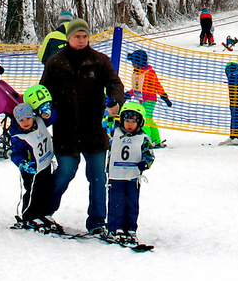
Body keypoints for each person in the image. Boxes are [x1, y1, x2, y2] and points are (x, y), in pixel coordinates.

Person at [41, 19, 125, 234]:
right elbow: (44, 91)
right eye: (77, 36)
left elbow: (115, 84)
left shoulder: (99, 61)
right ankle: (44, 211)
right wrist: (43, 109)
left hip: (93, 130)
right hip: (65, 129)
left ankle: (97, 221)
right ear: (68, 38)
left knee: (97, 177)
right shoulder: (55, 62)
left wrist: (115, 101)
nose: (81, 40)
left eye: (84, 36)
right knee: (66, 171)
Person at [9, 85, 60, 231]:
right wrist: (22, 163)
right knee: (33, 191)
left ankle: (43, 213)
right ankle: (29, 215)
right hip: (31, 168)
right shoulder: (19, 136)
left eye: (27, 118)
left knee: (46, 189)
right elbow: (16, 154)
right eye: (21, 121)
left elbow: (53, 117)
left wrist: (47, 111)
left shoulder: (38, 122)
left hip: (44, 164)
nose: (25, 123)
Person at [106, 100, 156, 244]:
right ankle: (115, 228)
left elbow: (149, 154)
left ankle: (130, 228)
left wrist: (145, 163)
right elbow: (106, 123)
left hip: (132, 177)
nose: (129, 124)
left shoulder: (143, 138)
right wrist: (110, 108)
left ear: (140, 122)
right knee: (116, 202)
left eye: (133, 122)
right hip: (116, 176)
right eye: (126, 120)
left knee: (131, 204)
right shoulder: (114, 132)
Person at [125, 49, 173, 146]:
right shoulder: (137, 73)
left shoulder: (149, 73)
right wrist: (128, 94)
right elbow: (137, 88)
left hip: (150, 100)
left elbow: (157, 85)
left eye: (134, 62)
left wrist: (164, 97)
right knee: (149, 120)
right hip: (142, 100)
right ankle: (156, 139)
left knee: (144, 119)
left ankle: (146, 140)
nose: (133, 65)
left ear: (139, 62)